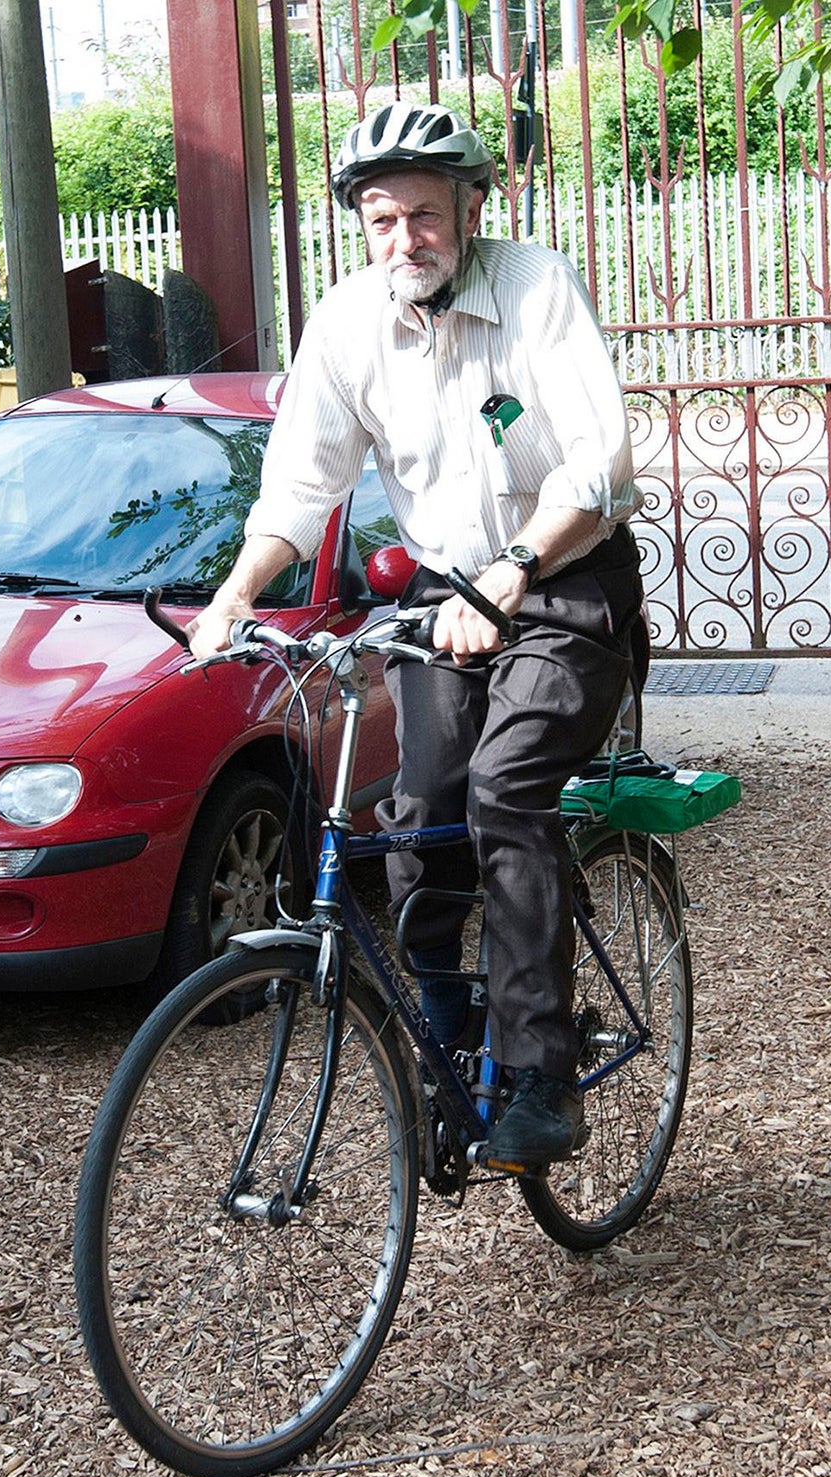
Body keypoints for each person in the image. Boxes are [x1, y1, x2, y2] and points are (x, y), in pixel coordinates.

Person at [186, 102, 643, 1164]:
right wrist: (235, 595)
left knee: (505, 791)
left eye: (426, 216)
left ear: (472, 206)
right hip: (446, 603)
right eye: (382, 221)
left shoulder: (534, 287)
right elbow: (300, 484)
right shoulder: (347, 324)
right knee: (416, 823)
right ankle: (451, 1045)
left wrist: (511, 570)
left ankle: (538, 1075)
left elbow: (597, 466)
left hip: (566, 585)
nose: (405, 241)